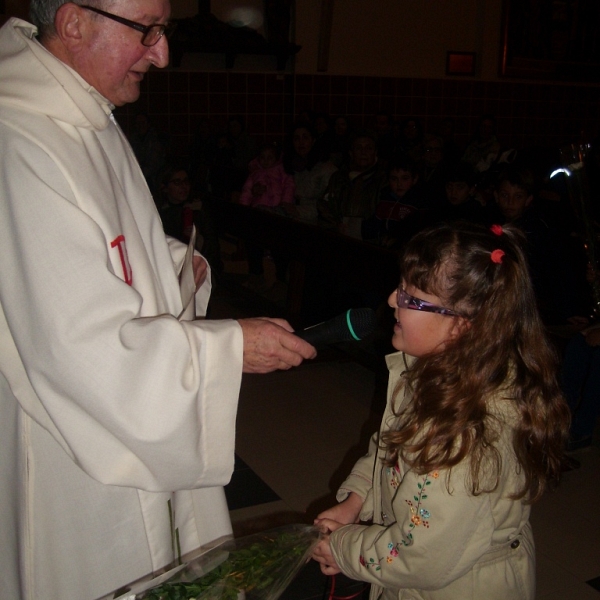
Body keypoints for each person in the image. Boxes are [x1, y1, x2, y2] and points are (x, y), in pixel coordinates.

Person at [0, 4, 316, 600]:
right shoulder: (20, 141)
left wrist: (170, 265)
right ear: (74, 23)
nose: (163, 52)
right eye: (147, 30)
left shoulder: (84, 110)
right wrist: (229, 348)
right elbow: (76, 347)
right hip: (72, 444)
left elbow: (104, 247)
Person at [312, 221, 570, 600]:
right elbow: (388, 446)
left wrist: (344, 548)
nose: (390, 300)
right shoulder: (432, 370)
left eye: (411, 298)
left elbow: (420, 556)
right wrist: (357, 498)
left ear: (462, 328)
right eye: (401, 286)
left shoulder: (466, 433)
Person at [157, 163, 223, 280]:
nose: (183, 187)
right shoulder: (159, 212)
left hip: (197, 269)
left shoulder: (197, 210)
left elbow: (212, 248)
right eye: (177, 182)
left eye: (186, 182)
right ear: (165, 188)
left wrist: (196, 240)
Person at [318, 130, 387, 239]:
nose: (363, 152)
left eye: (368, 148)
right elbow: (325, 206)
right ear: (351, 153)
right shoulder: (338, 177)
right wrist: (336, 226)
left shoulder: (384, 179)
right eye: (358, 148)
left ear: (375, 152)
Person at [283, 123, 337, 222]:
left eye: (305, 138)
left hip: (313, 221)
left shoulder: (325, 168)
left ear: (313, 140)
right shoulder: (288, 164)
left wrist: (298, 211)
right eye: (297, 139)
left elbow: (329, 207)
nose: (301, 142)